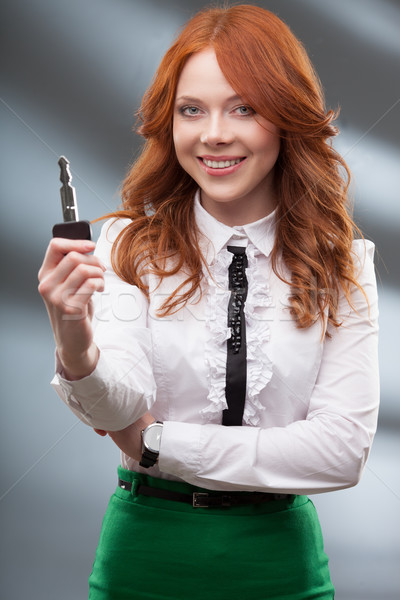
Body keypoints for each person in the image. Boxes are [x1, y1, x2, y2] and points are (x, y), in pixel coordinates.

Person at [38, 4, 379, 599]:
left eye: (243, 108)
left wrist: (156, 442)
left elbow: (340, 452)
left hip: (282, 567)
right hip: (145, 557)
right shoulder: (127, 245)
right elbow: (117, 404)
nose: (214, 133)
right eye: (191, 110)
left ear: (286, 119)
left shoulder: (343, 263)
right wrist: (75, 338)